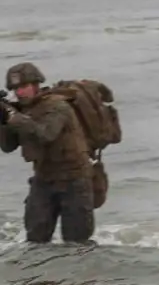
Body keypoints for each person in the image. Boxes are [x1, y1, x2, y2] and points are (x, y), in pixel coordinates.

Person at [0, 62, 96, 245]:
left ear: (36, 84)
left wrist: (13, 117)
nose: (19, 92)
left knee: (77, 243)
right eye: (15, 89)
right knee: (35, 241)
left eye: (24, 87)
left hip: (74, 180)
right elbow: (8, 146)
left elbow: (46, 134)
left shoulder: (58, 105)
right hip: (43, 179)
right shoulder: (22, 110)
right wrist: (4, 122)